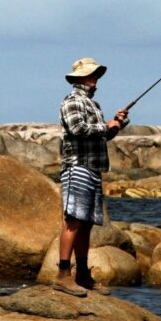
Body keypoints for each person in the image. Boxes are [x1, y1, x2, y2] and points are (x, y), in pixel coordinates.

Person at [53, 57, 129, 296]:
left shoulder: (93, 105)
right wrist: (105, 126)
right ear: (79, 78)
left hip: (93, 169)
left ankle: (83, 275)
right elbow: (78, 130)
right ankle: (63, 275)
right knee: (73, 221)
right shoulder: (72, 102)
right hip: (77, 167)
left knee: (85, 224)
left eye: (96, 75)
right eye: (92, 75)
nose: (96, 80)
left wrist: (117, 125)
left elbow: (100, 137)